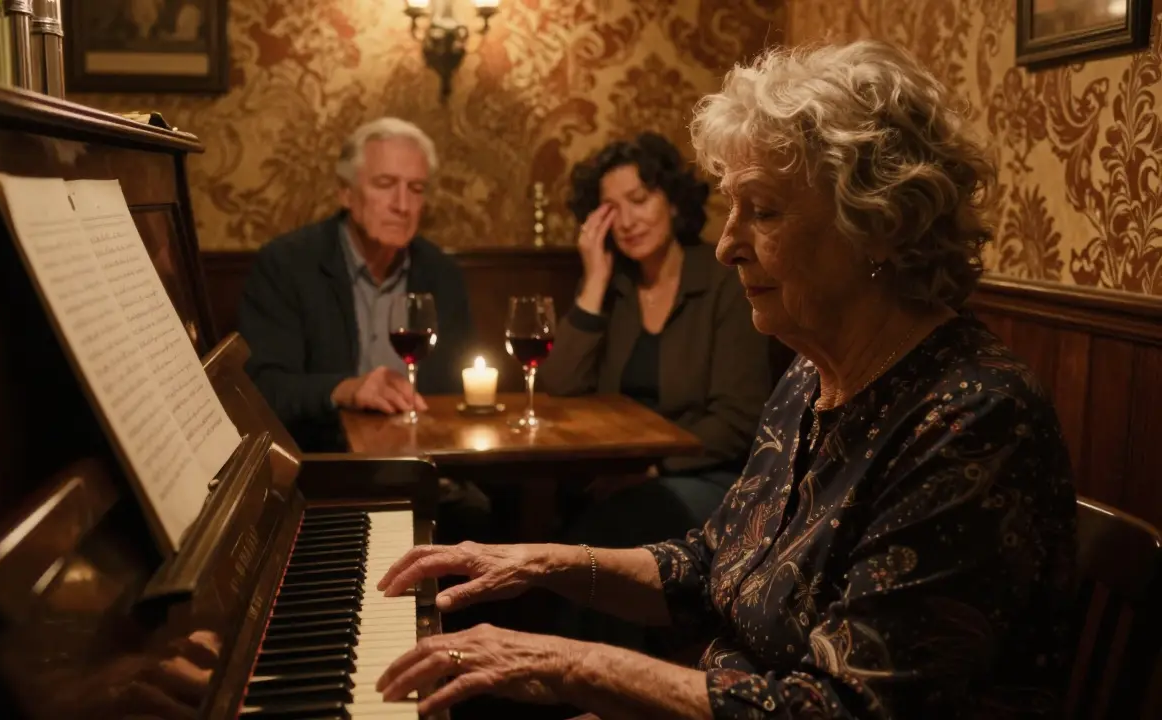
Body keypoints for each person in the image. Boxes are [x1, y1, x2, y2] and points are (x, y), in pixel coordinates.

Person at [370, 40, 1077, 719]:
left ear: (880, 223)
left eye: (762, 210)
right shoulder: (810, 376)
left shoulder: (971, 418)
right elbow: (713, 564)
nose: (728, 243)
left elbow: (841, 707)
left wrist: (568, 665)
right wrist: (539, 562)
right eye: (730, 207)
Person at [542, 132, 771, 542]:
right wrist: (594, 281)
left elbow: (737, 420)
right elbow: (559, 387)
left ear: (673, 201)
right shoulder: (612, 284)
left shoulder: (723, 281)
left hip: (705, 476)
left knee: (614, 524)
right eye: (612, 209)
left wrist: (652, 469)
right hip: (612, 478)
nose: (627, 221)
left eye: (639, 199)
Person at [239, 117, 473, 453]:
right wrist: (345, 389)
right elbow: (261, 388)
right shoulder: (288, 265)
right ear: (346, 193)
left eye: (416, 189)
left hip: (425, 460)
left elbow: (456, 388)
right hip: (326, 463)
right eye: (385, 184)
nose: (402, 205)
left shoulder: (440, 273)